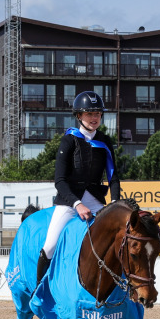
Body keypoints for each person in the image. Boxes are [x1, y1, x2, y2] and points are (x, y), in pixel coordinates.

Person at [36, 91, 120, 284]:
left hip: (97, 202)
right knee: (50, 246)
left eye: (97, 114)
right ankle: (39, 292)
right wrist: (77, 204)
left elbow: (113, 176)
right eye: (89, 114)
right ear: (79, 116)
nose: (94, 118)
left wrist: (115, 203)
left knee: (118, 241)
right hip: (69, 202)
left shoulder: (104, 141)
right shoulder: (69, 140)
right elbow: (60, 181)